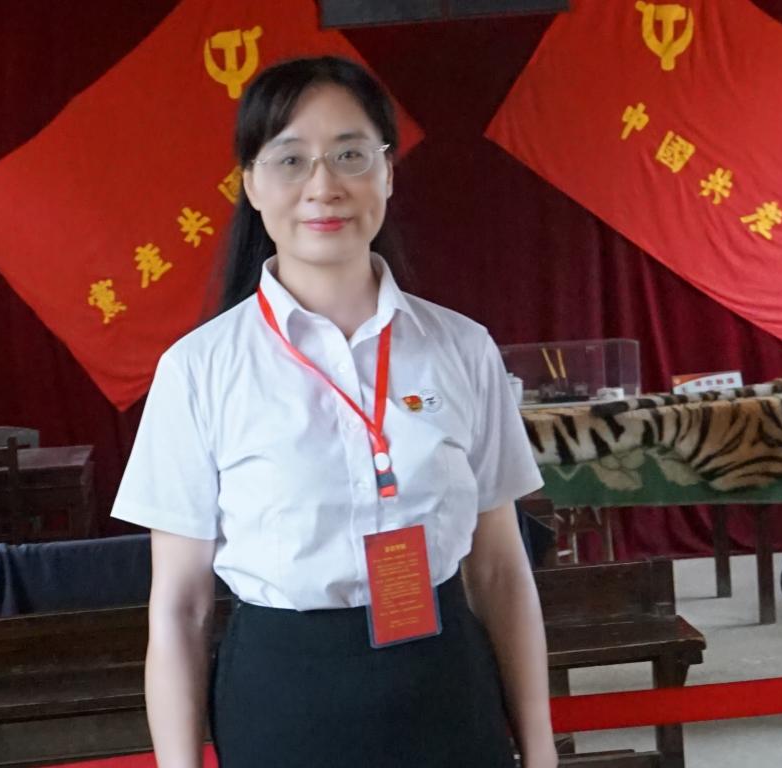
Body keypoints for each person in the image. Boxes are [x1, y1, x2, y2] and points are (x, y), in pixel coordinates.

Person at [112, 55, 557, 768]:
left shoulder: (462, 348)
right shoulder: (198, 370)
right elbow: (180, 607)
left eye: (350, 154)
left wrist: (540, 752)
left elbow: (502, 572)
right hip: (284, 700)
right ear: (251, 184)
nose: (324, 187)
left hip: (446, 690)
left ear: (388, 172)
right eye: (291, 160)